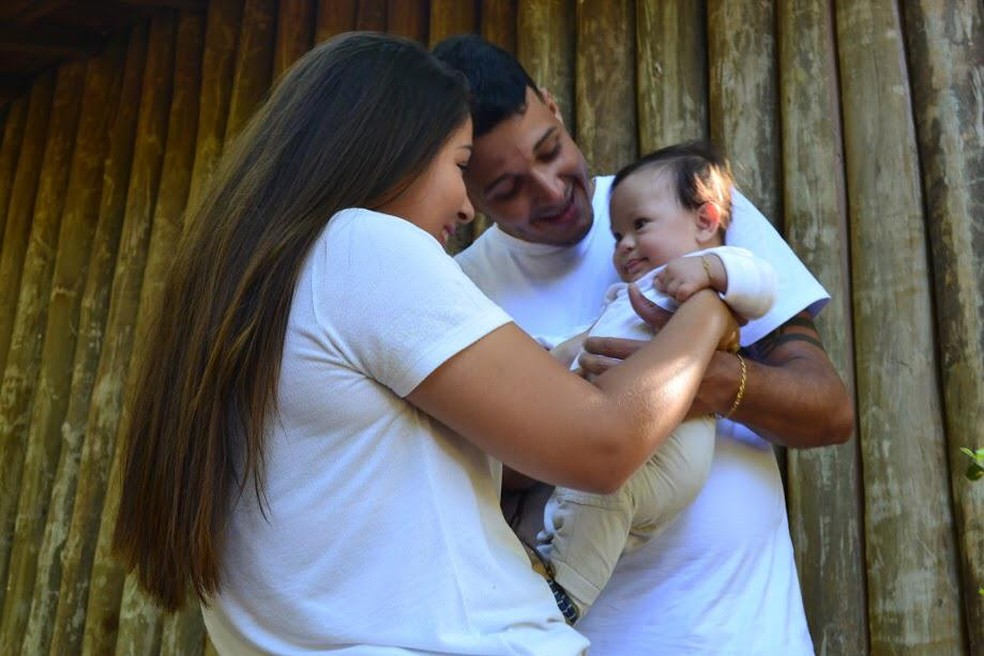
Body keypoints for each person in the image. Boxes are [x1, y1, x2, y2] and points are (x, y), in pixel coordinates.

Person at [111, 32, 736, 655]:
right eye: (461, 166)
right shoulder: (359, 247)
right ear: (393, 152)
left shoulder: (246, 300)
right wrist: (710, 300)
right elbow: (603, 447)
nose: (466, 208)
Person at [433, 34, 854, 654]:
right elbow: (456, 487)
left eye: (551, 150)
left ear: (553, 106)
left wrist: (698, 380)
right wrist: (567, 410)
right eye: (507, 189)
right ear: (465, 192)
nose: (550, 190)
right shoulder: (453, 293)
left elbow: (830, 411)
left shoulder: (680, 205)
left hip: (745, 635)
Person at [538, 141, 778, 625]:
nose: (624, 245)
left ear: (705, 221)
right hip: (629, 442)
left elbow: (762, 283)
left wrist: (710, 269)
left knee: (603, 489)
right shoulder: (630, 294)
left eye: (640, 225)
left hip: (670, 452)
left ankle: (566, 594)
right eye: (617, 235)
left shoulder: (712, 275)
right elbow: (588, 339)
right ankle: (546, 569)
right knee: (583, 500)